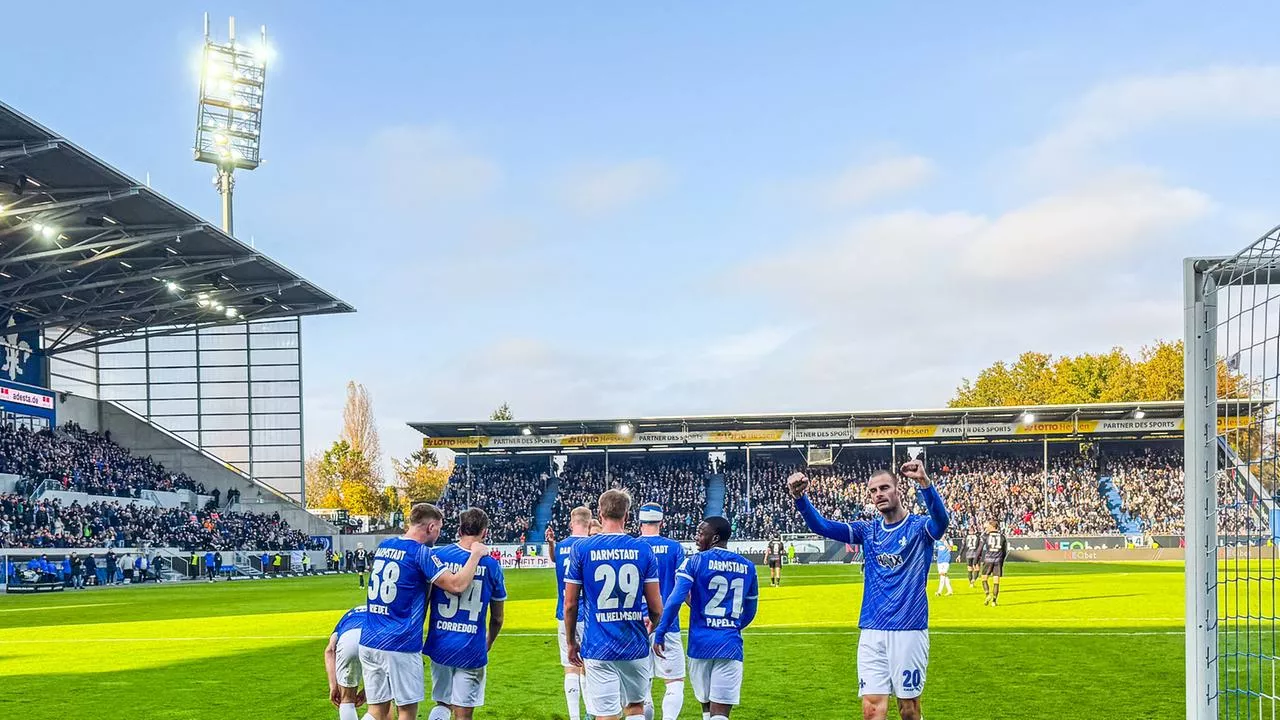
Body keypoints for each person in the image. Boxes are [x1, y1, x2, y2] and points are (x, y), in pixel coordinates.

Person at [787, 459, 948, 720]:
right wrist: (800, 498)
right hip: (872, 630)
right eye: (873, 491)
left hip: (909, 629)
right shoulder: (868, 530)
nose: (879, 495)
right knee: (871, 709)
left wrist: (924, 483)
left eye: (884, 488)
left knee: (909, 710)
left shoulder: (919, 528)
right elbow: (821, 526)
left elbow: (941, 523)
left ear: (898, 490)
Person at [358, 503, 487, 720]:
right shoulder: (420, 553)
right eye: (438, 529)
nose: (438, 534)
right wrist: (475, 555)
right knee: (407, 712)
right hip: (400, 643)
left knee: (377, 712)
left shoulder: (385, 545)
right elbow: (456, 585)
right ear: (430, 527)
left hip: (369, 639)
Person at [564, 488, 664, 720]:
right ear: (627, 516)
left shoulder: (582, 549)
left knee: (606, 714)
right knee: (635, 708)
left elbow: (570, 604)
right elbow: (656, 607)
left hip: (598, 645)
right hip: (634, 643)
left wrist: (571, 642)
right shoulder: (643, 549)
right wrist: (652, 626)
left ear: (599, 513)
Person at [654, 517, 759, 720]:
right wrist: (732, 625)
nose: (696, 537)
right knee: (720, 713)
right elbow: (750, 610)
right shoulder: (748, 567)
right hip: (730, 644)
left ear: (715, 537)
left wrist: (661, 631)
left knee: (707, 706)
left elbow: (675, 599)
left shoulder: (694, 562)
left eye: (701, 533)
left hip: (700, 645)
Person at [423, 508, 506, 720]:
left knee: (442, 703)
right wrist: (488, 642)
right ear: (485, 533)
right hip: (471, 647)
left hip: (440, 643)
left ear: (459, 529)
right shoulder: (491, 565)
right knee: (463, 714)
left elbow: (424, 600)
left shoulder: (438, 556)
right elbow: (497, 617)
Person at [636, 502, 687, 720]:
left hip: (636, 623)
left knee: (641, 684)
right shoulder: (675, 548)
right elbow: (683, 585)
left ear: (639, 523)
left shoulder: (632, 546)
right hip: (667, 623)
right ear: (662, 522)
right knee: (674, 682)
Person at [547, 507, 592, 720]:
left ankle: (574, 717)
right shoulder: (592, 547)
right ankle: (592, 711)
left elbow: (556, 560)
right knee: (590, 666)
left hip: (564, 614)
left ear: (571, 522)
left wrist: (552, 545)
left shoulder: (563, 547)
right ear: (590, 523)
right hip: (590, 615)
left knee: (569, 666)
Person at [325, 605, 369, 720]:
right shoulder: (380, 611)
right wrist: (369, 689)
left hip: (348, 639)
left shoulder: (348, 616)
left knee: (347, 700)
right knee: (381, 702)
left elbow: (330, 650)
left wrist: (333, 686)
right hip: (373, 639)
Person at [979, 521, 1009, 607]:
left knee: (984, 578)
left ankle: (987, 594)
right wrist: (1001, 561)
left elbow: (980, 548)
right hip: (998, 560)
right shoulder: (1002, 537)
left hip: (988, 559)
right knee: (996, 582)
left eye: (988, 526)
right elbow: (1004, 551)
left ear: (992, 527)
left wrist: (976, 559)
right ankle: (994, 601)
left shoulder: (986, 536)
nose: (987, 528)